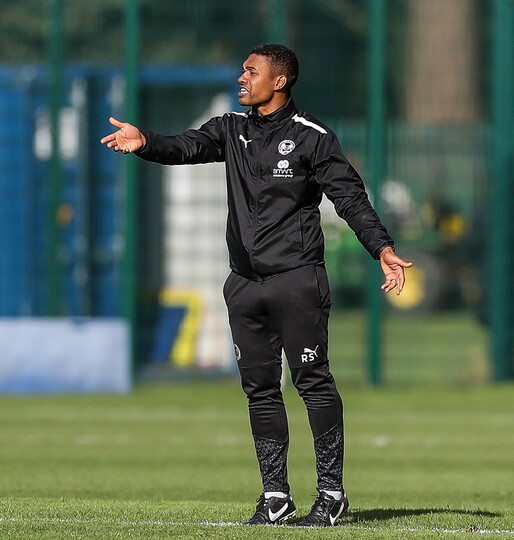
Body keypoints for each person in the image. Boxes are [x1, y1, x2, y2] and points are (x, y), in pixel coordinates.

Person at [101, 44, 411, 527]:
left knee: (313, 381)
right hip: (244, 285)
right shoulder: (230, 129)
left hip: (296, 281)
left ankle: (331, 494)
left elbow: (349, 197)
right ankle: (275, 498)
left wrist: (382, 248)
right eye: (244, 70)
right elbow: (186, 147)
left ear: (279, 81)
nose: (242, 77)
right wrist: (146, 142)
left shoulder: (312, 136)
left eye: (252, 71)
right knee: (260, 390)